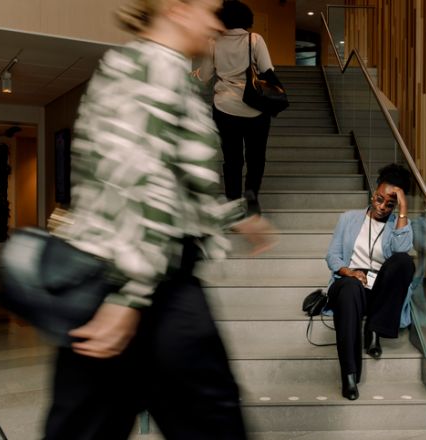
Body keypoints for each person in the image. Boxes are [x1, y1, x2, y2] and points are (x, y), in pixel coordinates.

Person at [42, 1, 273, 438]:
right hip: (142, 283)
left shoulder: (161, 70)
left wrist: (235, 216)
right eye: (210, 9)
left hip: (140, 278)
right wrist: (129, 297)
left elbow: (176, 174)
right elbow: (139, 183)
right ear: (176, 8)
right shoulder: (149, 67)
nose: (216, 23)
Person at [325, 164, 416, 400]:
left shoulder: (399, 224)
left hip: (378, 290)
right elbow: (332, 255)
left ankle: (375, 328)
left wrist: (403, 209)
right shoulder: (349, 218)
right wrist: (349, 272)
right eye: (379, 199)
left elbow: (402, 250)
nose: (382, 207)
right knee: (350, 287)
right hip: (348, 284)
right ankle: (349, 375)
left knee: (404, 262)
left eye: (390, 204)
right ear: (373, 192)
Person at [198, 0, 275, 215]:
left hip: (224, 108)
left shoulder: (213, 42)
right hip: (256, 109)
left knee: (232, 158)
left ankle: (232, 201)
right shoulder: (255, 39)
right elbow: (267, 69)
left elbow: (204, 76)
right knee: (256, 157)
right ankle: (251, 198)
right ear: (245, 18)